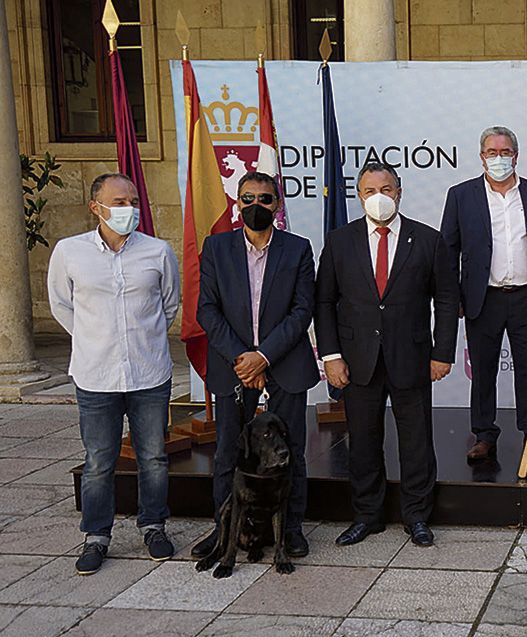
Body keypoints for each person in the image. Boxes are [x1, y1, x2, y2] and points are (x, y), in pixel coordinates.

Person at [315, 162, 458, 547]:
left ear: (399, 191)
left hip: (412, 357)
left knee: (416, 440)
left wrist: (442, 352)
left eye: (386, 189)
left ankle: (417, 516)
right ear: (359, 196)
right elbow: (324, 301)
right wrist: (331, 355)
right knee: (362, 441)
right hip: (356, 360)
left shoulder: (427, 240)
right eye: (370, 191)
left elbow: (446, 300)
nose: (379, 197)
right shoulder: (340, 241)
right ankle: (367, 516)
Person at [47, 173, 180, 575]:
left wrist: (142, 339)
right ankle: (96, 536)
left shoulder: (157, 252)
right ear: (96, 207)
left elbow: (168, 305)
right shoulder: (70, 252)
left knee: (153, 457)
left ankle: (153, 525)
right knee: (98, 461)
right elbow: (61, 304)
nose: (129, 209)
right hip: (96, 375)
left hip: (149, 373)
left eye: (133, 201)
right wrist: (94, 338)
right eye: (119, 202)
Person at [191, 171, 319, 560]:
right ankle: (224, 528)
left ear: (277, 205)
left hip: (285, 363)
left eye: (265, 199)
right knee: (229, 450)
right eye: (248, 198)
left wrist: (263, 356)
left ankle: (290, 529)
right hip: (233, 366)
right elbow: (207, 310)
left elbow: (302, 310)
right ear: (237, 203)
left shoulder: (298, 249)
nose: (256, 205)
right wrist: (242, 358)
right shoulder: (216, 248)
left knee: (290, 449)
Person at [441, 126, 527, 462]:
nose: (499, 158)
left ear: (516, 156)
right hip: (483, 298)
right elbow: (448, 250)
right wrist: (454, 297)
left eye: (505, 152)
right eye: (492, 152)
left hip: (526, 296)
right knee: (483, 370)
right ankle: (484, 434)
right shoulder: (460, 195)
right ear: (481, 157)